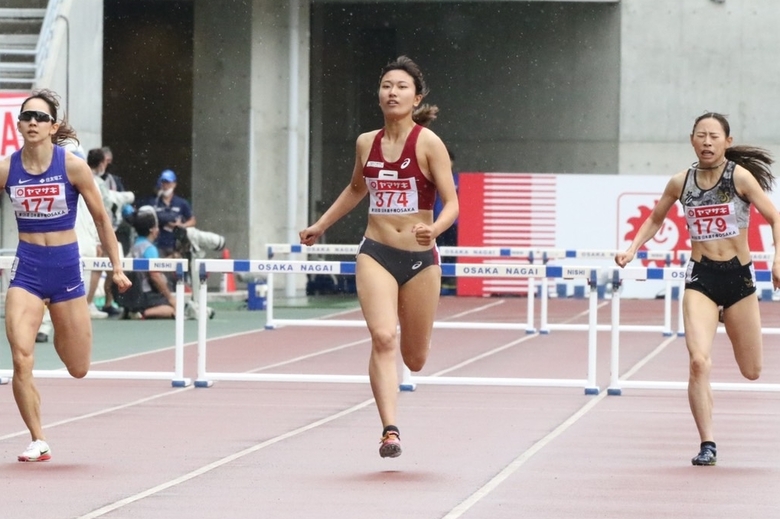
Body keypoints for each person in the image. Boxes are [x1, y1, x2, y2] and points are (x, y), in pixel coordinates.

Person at [299, 56, 459, 458]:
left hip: (421, 258)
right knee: (383, 336)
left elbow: (453, 202)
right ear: (379, 94)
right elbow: (356, 189)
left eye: (401, 86)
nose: (392, 92)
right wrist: (321, 225)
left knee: (415, 358)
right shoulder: (365, 142)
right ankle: (390, 430)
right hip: (376, 252)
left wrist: (435, 229)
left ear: (416, 96)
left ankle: (404, 380)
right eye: (386, 85)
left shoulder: (427, 143)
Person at [615, 112, 780, 466]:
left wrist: (778, 259)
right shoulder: (680, 182)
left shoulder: (740, 178)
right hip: (701, 278)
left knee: (752, 370)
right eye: (701, 135)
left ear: (727, 142)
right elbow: (656, 217)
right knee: (698, 362)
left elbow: (775, 217)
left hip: (739, 280)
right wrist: (632, 249)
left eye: (714, 136)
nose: (707, 142)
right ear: (692, 140)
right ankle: (708, 443)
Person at [0, 89, 131, 462]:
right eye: (26, 116)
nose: (32, 122)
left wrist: (117, 267)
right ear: (19, 124)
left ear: (53, 126)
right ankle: (37, 438)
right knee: (21, 357)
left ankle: (60, 322)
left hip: (66, 269)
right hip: (27, 269)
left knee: (78, 367)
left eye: (40, 117)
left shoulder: (72, 166)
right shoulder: (8, 168)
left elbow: (102, 219)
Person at [147, 169, 196, 258]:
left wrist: (181, 225)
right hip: (158, 244)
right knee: (158, 269)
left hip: (175, 244)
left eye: (168, 182)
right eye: (163, 182)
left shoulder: (181, 203)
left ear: (174, 184)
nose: (165, 185)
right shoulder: (155, 202)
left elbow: (192, 221)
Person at [433, 148, 459, 291]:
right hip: (434, 221)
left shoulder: (457, 179)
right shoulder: (432, 178)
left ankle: (449, 280)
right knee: (435, 250)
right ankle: (437, 279)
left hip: (453, 222)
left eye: (449, 160)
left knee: (451, 249)